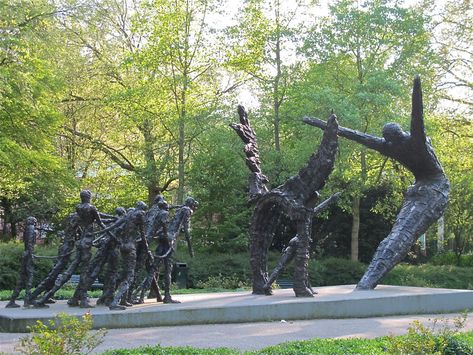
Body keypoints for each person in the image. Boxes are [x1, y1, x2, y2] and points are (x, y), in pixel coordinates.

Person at [304, 76, 449, 290]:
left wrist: (417, 90)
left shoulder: (403, 143)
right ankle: (367, 282)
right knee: (398, 234)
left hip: (436, 189)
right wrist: (321, 125)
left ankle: (367, 282)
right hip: (420, 188)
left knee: (403, 234)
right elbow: (356, 134)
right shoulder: (402, 142)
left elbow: (416, 118)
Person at [30, 213, 80, 305]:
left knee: (54, 275)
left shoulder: (73, 227)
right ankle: (33, 296)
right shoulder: (72, 226)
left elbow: (78, 236)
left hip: (65, 249)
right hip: (65, 250)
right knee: (53, 274)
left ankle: (43, 294)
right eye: (77, 219)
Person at [68, 190, 107, 308]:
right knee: (85, 270)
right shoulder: (91, 208)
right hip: (88, 239)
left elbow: (80, 221)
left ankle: (75, 299)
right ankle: (83, 299)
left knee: (76, 267)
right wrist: (108, 230)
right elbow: (100, 222)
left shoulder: (78, 207)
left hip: (81, 239)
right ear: (88, 197)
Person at [109, 201, 149, 310]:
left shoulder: (128, 214)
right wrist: (147, 248)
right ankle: (115, 302)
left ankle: (123, 300)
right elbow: (143, 234)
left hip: (123, 246)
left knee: (124, 272)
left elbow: (117, 227)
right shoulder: (140, 214)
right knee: (130, 276)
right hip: (131, 246)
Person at [6, 217, 37, 308]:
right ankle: (27, 301)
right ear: (31, 222)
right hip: (28, 255)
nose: (35, 223)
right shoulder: (31, 228)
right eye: (34, 221)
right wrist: (31, 255)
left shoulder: (26, 229)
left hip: (25, 254)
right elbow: (30, 243)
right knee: (29, 277)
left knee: (22, 278)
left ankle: (12, 301)